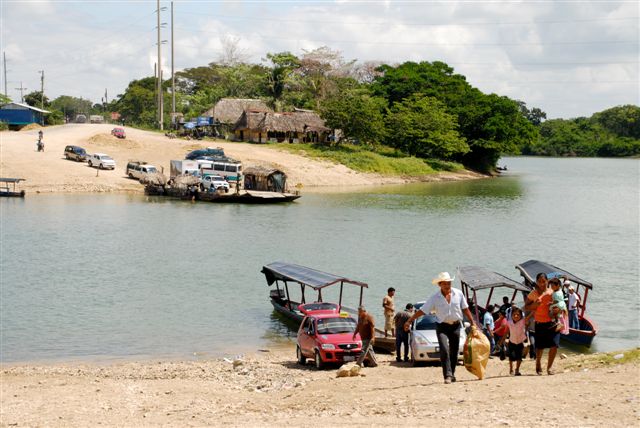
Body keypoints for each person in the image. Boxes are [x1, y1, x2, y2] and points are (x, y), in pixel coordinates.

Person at [403, 272, 476, 384]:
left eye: (449, 283)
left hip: (456, 326)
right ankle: (447, 375)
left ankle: (452, 374)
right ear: (440, 284)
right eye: (445, 283)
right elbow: (423, 310)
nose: (448, 285)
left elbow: (465, 309)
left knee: (454, 352)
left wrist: (472, 322)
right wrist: (409, 320)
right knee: (444, 349)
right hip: (442, 326)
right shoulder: (435, 297)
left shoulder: (459, 294)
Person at [524, 272, 560, 375]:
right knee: (540, 347)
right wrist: (535, 305)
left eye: (543, 281)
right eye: (539, 281)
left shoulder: (552, 292)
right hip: (540, 323)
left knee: (554, 345)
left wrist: (557, 310)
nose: (541, 284)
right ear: (536, 282)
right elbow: (526, 307)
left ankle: (549, 368)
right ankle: (538, 364)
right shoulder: (533, 294)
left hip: (553, 322)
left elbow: (560, 302)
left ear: (547, 281)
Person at [499, 307, 527, 376]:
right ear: (511, 316)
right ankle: (511, 368)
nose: (516, 316)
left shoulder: (523, 321)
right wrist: (501, 341)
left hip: (520, 342)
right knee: (511, 357)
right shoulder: (509, 323)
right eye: (514, 315)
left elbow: (529, 316)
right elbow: (506, 333)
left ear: (521, 316)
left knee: (519, 357)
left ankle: (517, 369)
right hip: (511, 341)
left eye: (518, 315)